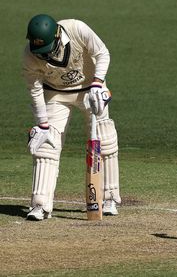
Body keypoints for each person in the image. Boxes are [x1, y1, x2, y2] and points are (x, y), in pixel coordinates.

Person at [23, 14, 121, 220]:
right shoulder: (30, 55)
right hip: (55, 93)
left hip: (90, 90)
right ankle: (41, 204)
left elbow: (103, 53)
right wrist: (42, 124)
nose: (43, 55)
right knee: (46, 146)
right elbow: (35, 90)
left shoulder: (77, 29)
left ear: (57, 37)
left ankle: (109, 198)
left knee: (105, 138)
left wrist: (97, 83)